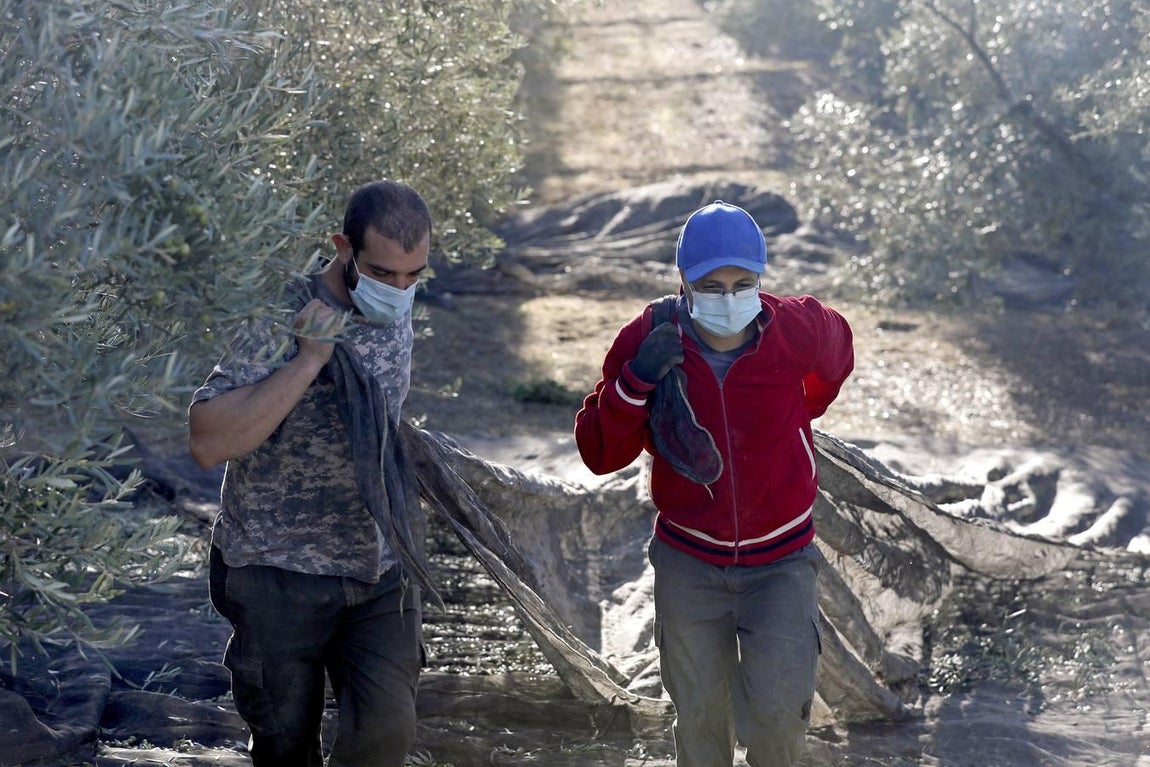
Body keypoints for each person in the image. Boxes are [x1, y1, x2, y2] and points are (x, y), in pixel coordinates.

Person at [574, 200, 854, 767]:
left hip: (781, 563)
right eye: (711, 284)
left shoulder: (794, 329)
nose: (729, 297)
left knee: (780, 718)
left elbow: (837, 357)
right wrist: (637, 380)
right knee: (700, 720)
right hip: (688, 564)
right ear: (683, 279)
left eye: (742, 283)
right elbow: (601, 454)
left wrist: (800, 410)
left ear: (761, 279)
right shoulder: (649, 337)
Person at [188, 180, 436, 767]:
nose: (400, 290)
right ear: (343, 248)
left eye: (414, 275)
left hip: (377, 569)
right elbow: (207, 440)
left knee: (386, 736)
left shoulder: (395, 302)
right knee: (284, 748)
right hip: (277, 575)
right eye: (383, 274)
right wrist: (307, 361)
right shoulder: (278, 312)